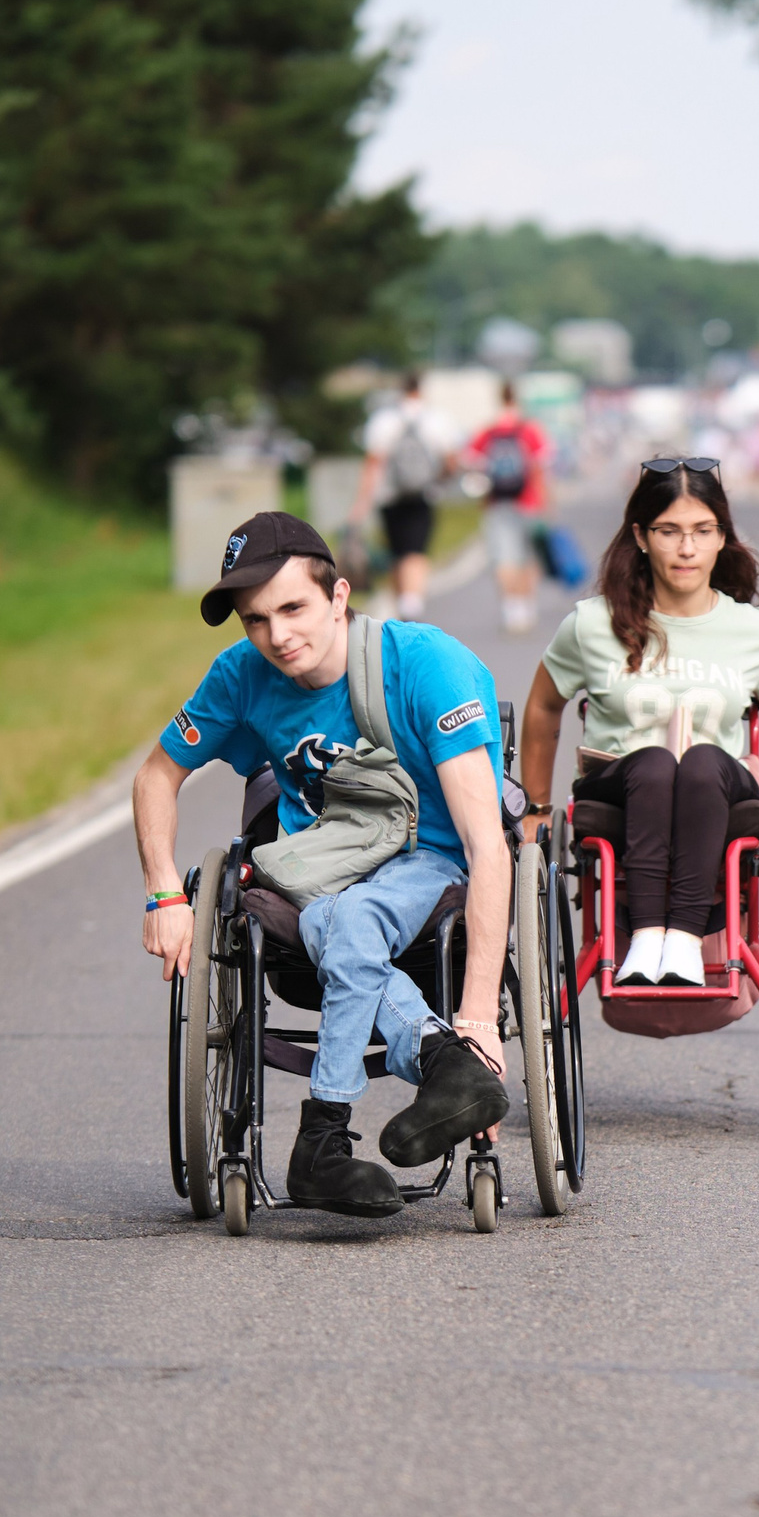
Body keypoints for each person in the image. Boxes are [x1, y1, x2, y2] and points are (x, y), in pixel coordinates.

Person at [133, 512, 512, 1217]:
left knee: (354, 914)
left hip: (428, 862)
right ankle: (438, 1067)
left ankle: (326, 1136)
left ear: (339, 595)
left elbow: (488, 845)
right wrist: (163, 889)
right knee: (343, 911)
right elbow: (157, 775)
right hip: (319, 867)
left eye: (293, 608)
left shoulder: (428, 663)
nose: (277, 636)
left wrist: (480, 1015)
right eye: (256, 620)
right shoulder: (243, 676)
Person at [518, 458, 759, 987]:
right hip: (619, 788)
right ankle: (645, 937)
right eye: (669, 532)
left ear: (721, 537)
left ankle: (683, 940)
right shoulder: (592, 624)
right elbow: (544, 705)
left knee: (702, 761)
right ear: (641, 536)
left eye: (702, 531)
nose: (687, 549)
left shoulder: (752, 630)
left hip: (718, 791)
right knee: (658, 764)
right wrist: (536, 808)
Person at [352, 372, 459, 621]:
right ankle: (413, 603)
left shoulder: (384, 420)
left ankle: (403, 603)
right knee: (417, 551)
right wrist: (439, 480)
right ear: (421, 389)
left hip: (390, 496)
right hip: (425, 494)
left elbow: (373, 463)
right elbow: (452, 461)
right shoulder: (437, 419)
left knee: (397, 551)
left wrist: (362, 502)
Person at [465, 379, 552, 635]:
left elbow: (471, 463)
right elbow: (541, 468)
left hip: (497, 502)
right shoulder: (530, 430)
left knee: (504, 557)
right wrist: (546, 503)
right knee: (528, 556)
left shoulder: (488, 432)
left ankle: (511, 610)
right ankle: (526, 607)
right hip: (529, 502)